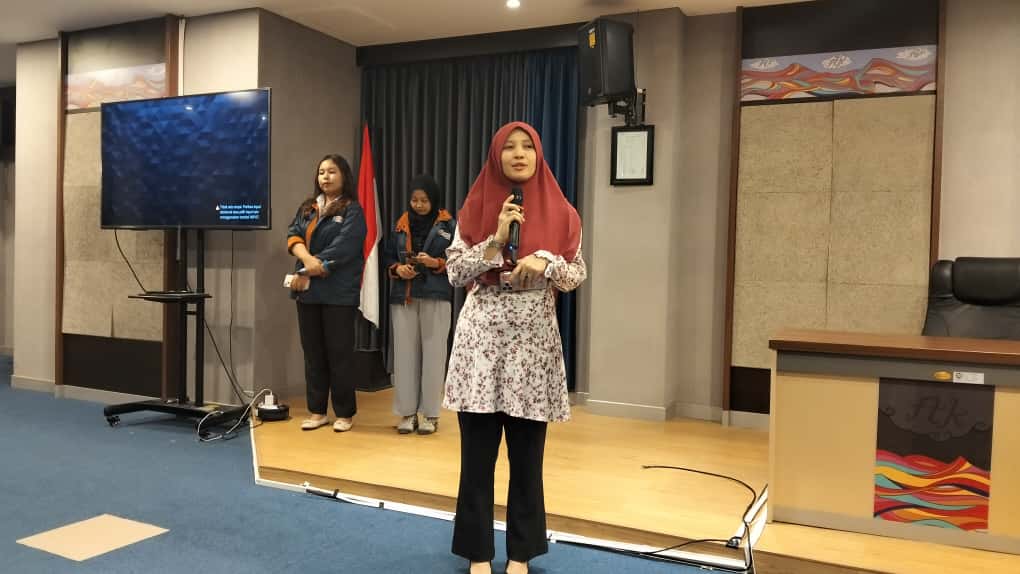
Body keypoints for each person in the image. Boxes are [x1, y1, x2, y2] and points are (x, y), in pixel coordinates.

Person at [443, 122, 586, 574]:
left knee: (527, 460)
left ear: (539, 155)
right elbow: (454, 273)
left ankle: (521, 552)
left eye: (527, 146)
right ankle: (478, 552)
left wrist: (546, 260)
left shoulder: (564, 213)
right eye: (509, 147)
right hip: (481, 342)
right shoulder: (473, 208)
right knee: (476, 458)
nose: (519, 154)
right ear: (496, 156)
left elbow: (575, 275)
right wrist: (496, 240)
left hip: (532, 344)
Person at [286, 154, 367, 433]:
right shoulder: (308, 207)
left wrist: (312, 266)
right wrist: (307, 261)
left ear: (344, 176)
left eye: (332, 171)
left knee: (339, 354)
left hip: (338, 294)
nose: (325, 177)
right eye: (321, 172)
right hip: (308, 291)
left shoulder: (353, 210)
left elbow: (345, 247)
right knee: (313, 353)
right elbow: (293, 235)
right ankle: (317, 411)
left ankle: (344, 413)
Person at [384, 175, 456, 435]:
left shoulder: (449, 225)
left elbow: (458, 261)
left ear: (434, 200)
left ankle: (431, 415)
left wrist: (435, 263)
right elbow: (387, 257)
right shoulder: (400, 224)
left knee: (434, 356)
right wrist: (398, 268)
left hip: (436, 295)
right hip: (404, 296)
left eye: (424, 200)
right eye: (414, 199)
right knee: (404, 357)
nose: (418, 204)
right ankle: (407, 413)